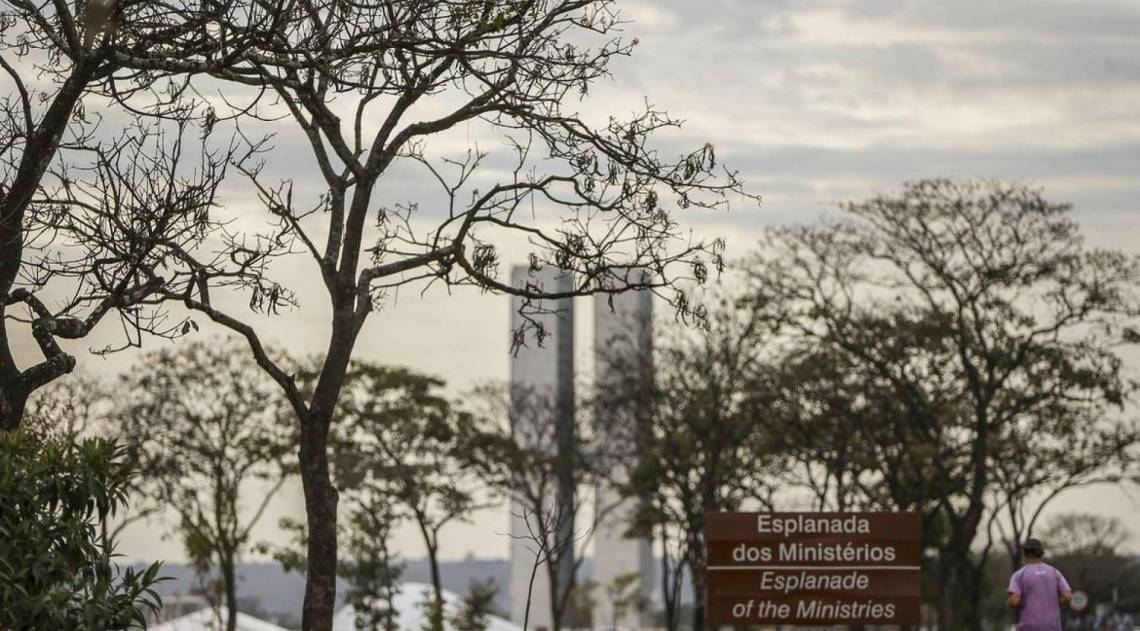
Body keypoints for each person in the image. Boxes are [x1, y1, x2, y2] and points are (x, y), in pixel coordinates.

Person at [1008, 538, 1074, 631]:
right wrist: (1056, 602)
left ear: (1026, 553)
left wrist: (1009, 602)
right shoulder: (1054, 572)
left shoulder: (1019, 575)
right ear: (1041, 553)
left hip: (1029, 627)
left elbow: (1015, 601)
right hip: (1053, 627)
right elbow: (1068, 597)